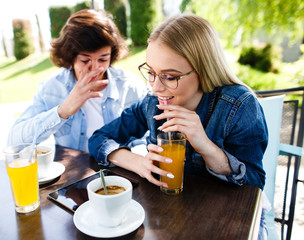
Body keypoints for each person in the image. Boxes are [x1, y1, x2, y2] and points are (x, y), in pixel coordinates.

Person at [89, 13, 268, 238]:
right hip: (172, 219)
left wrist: (207, 147)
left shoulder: (238, 106)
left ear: (202, 70)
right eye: (151, 73)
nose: (155, 87)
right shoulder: (152, 103)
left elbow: (254, 185)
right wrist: (138, 163)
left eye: (169, 77)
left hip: (228, 224)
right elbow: (99, 139)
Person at [7, 9, 147, 151]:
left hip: (118, 169)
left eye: (103, 59)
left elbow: (144, 139)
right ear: (70, 57)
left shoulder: (130, 85)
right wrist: (64, 110)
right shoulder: (52, 88)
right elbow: (14, 143)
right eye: (85, 60)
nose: (95, 68)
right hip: (74, 169)